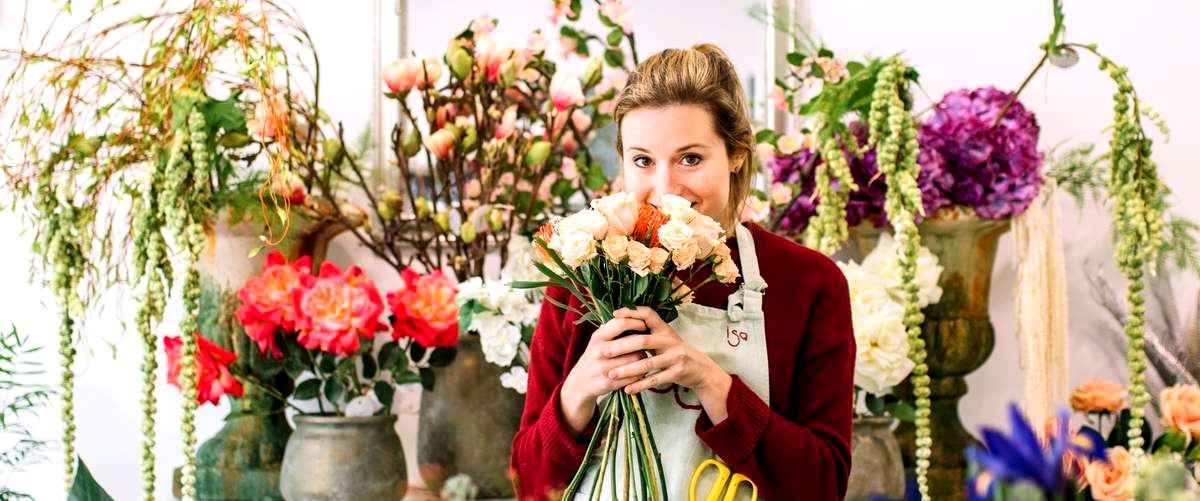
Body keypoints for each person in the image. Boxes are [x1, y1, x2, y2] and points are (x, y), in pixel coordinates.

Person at [510, 43, 855, 500]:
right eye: (642, 160)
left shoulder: (809, 284)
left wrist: (712, 384)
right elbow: (530, 481)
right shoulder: (582, 277)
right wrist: (577, 393)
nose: (665, 188)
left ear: (735, 154)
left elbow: (823, 486)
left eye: (690, 158)